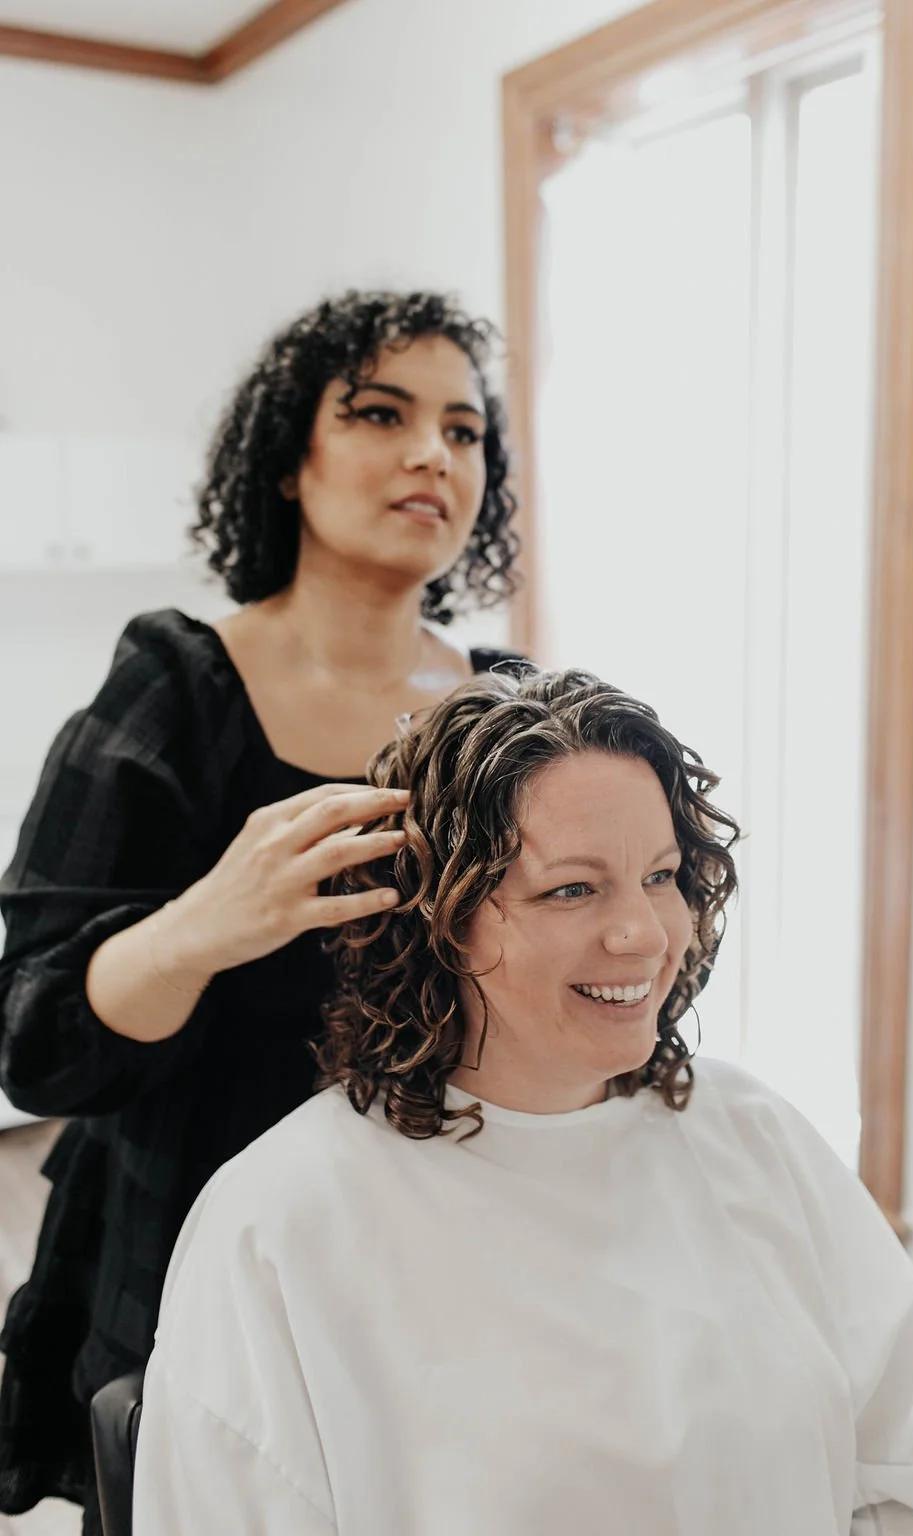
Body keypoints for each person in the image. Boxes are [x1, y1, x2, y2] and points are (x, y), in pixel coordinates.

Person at [133, 667, 913, 1536]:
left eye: (662, 875)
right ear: (441, 918)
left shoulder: (755, 1137)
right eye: (571, 888)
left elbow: (904, 1468)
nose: (643, 935)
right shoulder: (282, 1223)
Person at [0, 290, 524, 1532]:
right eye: (381, 415)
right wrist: (209, 921)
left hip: (437, 1244)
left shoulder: (508, 707)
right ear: (290, 457)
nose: (428, 456)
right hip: (190, 1247)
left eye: (462, 431)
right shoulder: (178, 688)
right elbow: (33, 1035)